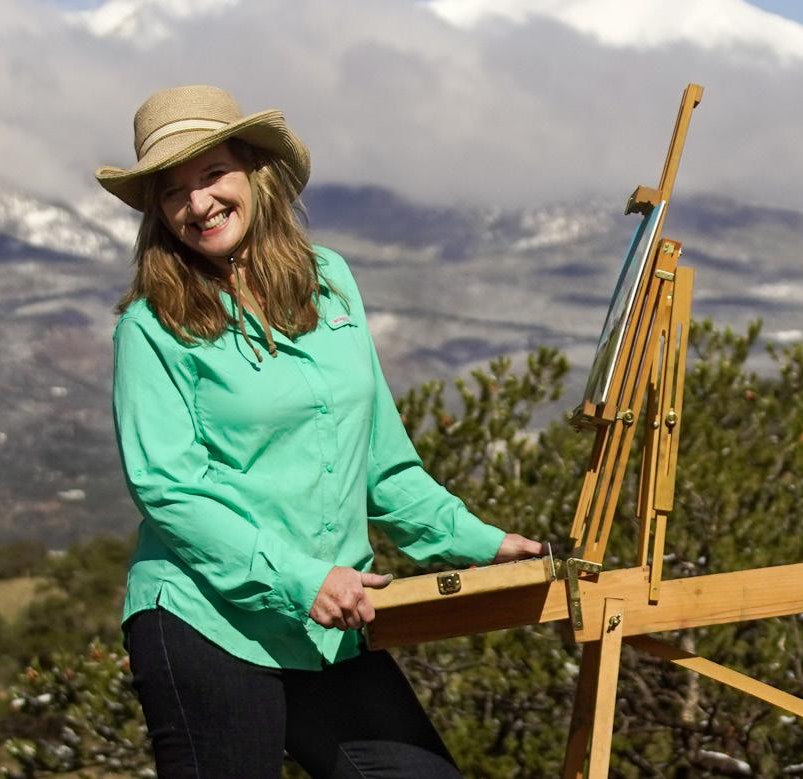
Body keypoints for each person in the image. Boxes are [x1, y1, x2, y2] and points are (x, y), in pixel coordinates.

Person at [96, 85, 544, 778]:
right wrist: (300, 579)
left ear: (255, 173)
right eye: (173, 190)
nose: (198, 203)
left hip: (326, 625)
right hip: (204, 623)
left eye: (212, 174)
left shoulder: (330, 280)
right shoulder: (149, 328)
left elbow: (381, 462)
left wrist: (482, 541)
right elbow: (170, 490)